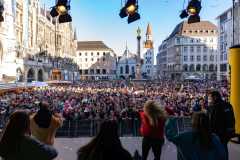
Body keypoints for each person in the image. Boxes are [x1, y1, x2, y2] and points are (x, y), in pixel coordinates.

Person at [207, 90, 235, 160]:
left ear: (215, 97)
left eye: (210, 98)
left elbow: (212, 122)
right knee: (224, 148)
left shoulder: (214, 107)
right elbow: (233, 119)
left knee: (217, 150)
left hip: (218, 133)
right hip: (228, 132)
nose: (209, 100)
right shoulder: (228, 105)